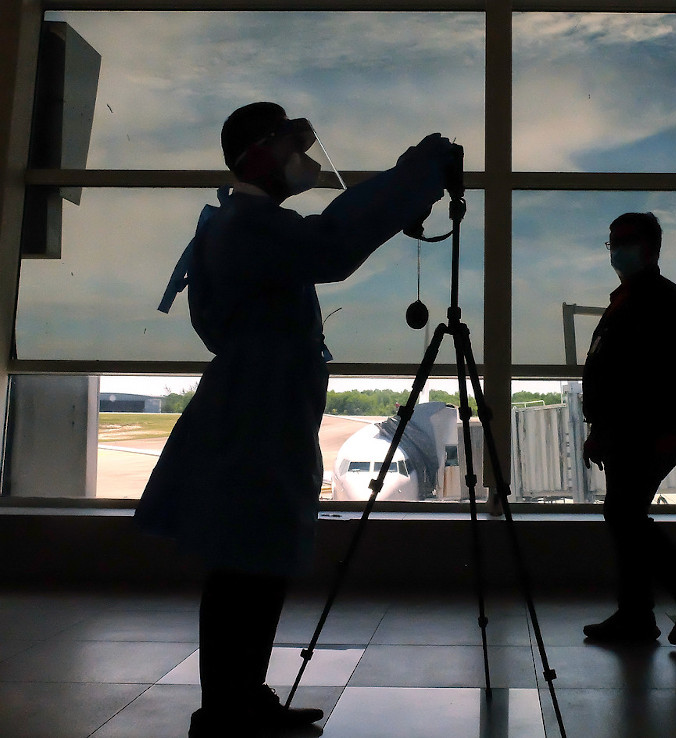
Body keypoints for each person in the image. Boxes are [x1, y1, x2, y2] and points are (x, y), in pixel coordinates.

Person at [134, 102, 459, 737]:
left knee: (254, 564)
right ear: (261, 155)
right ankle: (228, 709)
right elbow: (332, 245)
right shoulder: (251, 230)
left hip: (258, 410)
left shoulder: (241, 227)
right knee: (245, 568)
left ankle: (238, 699)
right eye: (290, 146)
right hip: (256, 416)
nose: (302, 161)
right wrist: (413, 177)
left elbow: (322, 244)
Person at [581, 211, 676, 645]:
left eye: (624, 240)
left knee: (623, 514)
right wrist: (600, 426)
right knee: (626, 516)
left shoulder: (660, 299)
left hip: (643, 430)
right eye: (612, 242)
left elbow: (672, 373)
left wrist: (667, 430)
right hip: (624, 430)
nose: (616, 250)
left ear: (651, 247)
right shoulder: (626, 299)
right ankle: (636, 615)